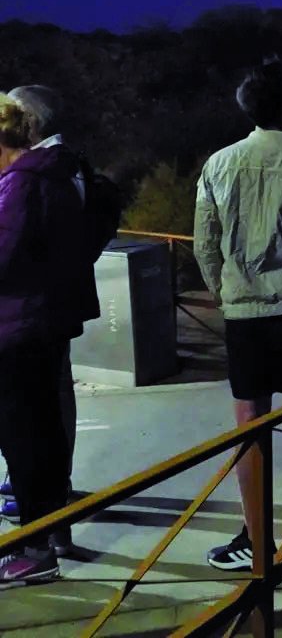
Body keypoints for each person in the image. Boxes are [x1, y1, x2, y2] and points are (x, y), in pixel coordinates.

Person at [194, 63, 282, 571]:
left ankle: (256, 538)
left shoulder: (218, 165)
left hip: (245, 313)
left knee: (249, 423)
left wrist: (226, 291)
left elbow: (204, 246)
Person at [0, 85, 101, 553]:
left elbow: (8, 251)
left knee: (33, 426)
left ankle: (40, 538)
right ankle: (49, 524)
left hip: (28, 320)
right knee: (43, 420)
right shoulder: (62, 169)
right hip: (47, 313)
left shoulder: (29, 178)